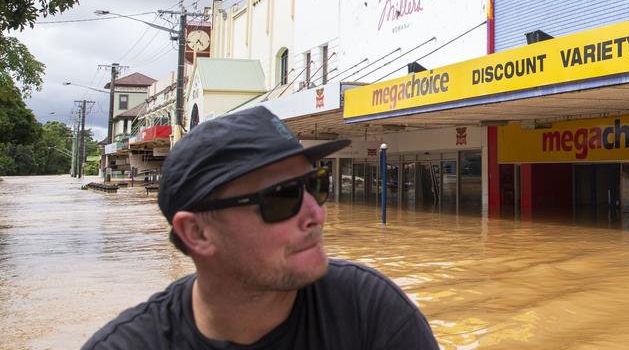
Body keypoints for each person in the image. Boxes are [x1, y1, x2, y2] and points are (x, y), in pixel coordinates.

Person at [83, 106, 439, 349]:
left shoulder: (370, 312)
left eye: (317, 185)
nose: (317, 214)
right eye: (283, 197)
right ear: (197, 233)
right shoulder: (130, 343)